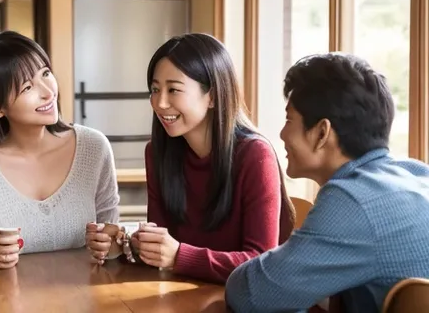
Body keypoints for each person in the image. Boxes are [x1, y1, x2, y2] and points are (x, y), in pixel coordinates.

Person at [225, 53, 429, 313]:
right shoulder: (418, 172)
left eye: (289, 120)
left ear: (322, 133)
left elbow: (250, 294)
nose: (282, 134)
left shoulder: (350, 199)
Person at [128, 33, 295, 284]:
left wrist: (179, 256)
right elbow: (161, 245)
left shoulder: (254, 156)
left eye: (173, 89)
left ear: (213, 96)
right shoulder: (157, 153)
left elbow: (260, 260)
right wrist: (124, 244)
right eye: (155, 89)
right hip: (186, 296)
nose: (160, 103)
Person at [0, 31, 121, 269]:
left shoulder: (94, 147)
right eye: (27, 87)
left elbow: (112, 235)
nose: (48, 92)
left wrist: (110, 243)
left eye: (45, 74)